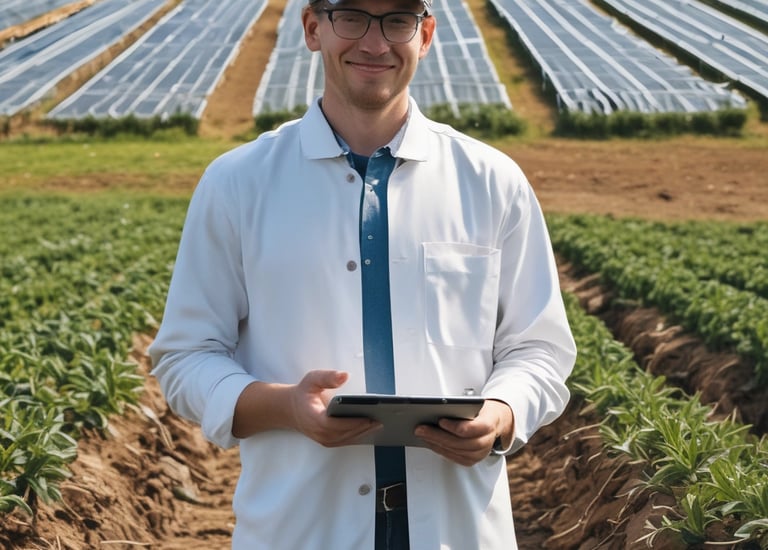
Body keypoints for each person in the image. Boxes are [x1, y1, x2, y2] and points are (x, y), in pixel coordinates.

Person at [149, 0, 576, 547]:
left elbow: (539, 348)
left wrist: (502, 413)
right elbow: (186, 355)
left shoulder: (493, 181)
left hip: (457, 530)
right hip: (299, 528)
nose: (375, 43)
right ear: (312, 29)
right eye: (351, 16)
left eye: (397, 20)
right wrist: (284, 407)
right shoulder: (237, 183)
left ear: (424, 34)